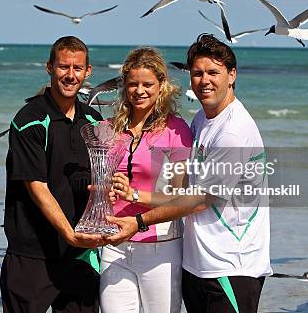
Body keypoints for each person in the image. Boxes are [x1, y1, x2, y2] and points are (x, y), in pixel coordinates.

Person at [108, 34, 272, 313]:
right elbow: (183, 194)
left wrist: (138, 221)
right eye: (197, 73)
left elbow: (199, 200)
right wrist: (134, 193)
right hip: (197, 264)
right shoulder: (202, 120)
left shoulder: (233, 132)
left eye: (213, 72)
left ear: (232, 75)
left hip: (232, 266)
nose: (204, 80)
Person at [1, 36, 105, 313]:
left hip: (81, 253)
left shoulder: (95, 121)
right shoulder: (29, 120)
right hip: (32, 252)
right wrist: (69, 234)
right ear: (50, 68)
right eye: (63, 67)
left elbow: (101, 179)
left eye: (77, 68)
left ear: (88, 71)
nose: (70, 75)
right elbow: (36, 186)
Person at [100, 47, 193, 313]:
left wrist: (134, 195)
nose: (139, 90)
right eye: (133, 84)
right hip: (114, 243)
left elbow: (179, 196)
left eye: (147, 84)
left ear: (161, 85)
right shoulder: (110, 128)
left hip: (160, 247)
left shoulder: (176, 131)